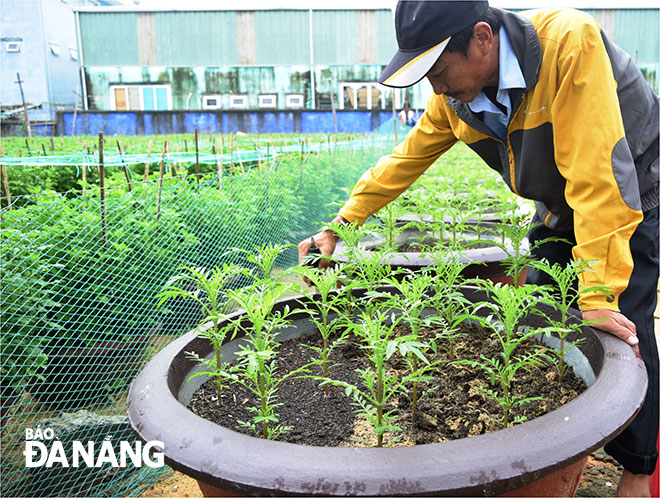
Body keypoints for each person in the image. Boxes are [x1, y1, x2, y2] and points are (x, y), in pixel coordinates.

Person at [298, 1, 659, 496]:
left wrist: (597, 295)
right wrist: (341, 225)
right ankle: (565, 429)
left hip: (632, 187)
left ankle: (637, 468)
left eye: (440, 70)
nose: (437, 87)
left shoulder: (567, 42)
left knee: (624, 325)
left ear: (483, 38)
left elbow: (600, 180)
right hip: (558, 198)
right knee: (538, 309)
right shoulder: (454, 100)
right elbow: (402, 162)